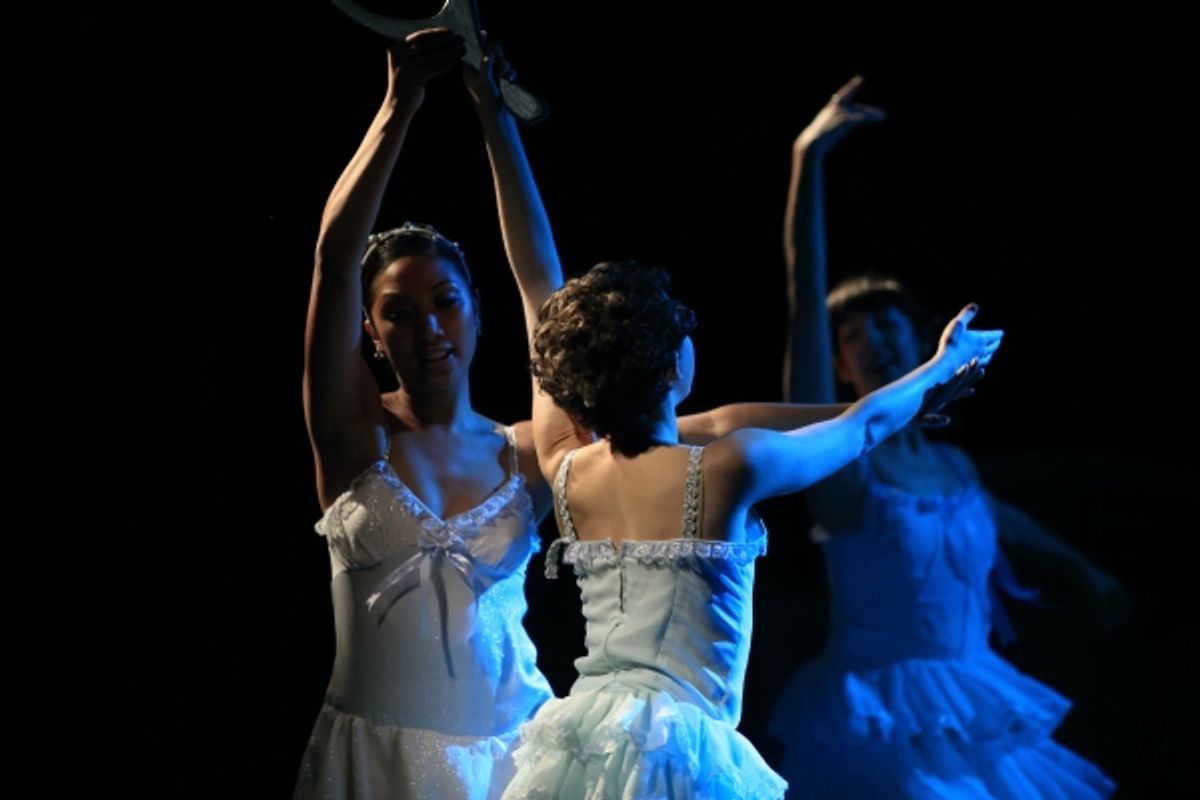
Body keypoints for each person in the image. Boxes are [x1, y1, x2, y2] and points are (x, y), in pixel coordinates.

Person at [492, 249, 1000, 797]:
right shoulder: (730, 468)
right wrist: (942, 365)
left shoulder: (566, 468)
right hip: (675, 746)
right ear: (673, 365)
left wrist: (910, 406)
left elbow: (720, 418)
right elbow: (865, 427)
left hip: (588, 737)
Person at [765, 76, 1124, 798]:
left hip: (972, 706)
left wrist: (1082, 567)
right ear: (839, 365)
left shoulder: (954, 464)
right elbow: (806, 298)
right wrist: (811, 160)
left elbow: (996, 517)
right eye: (853, 336)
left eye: (887, 324)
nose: (873, 342)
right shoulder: (845, 468)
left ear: (923, 337)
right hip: (878, 718)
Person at [292, 29, 562, 799]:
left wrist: (495, 118)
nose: (429, 328)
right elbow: (334, 261)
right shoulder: (354, 436)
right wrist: (397, 108)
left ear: (477, 314)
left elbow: (543, 284)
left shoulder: (528, 452)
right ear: (370, 333)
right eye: (399, 313)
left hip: (516, 767)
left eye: (445, 305)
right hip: (375, 772)